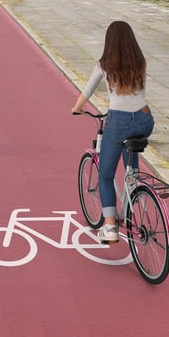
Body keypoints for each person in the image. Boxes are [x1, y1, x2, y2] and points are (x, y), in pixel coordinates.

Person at [71, 20, 154, 244]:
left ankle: (109, 227)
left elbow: (88, 90)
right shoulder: (140, 61)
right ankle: (134, 191)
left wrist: (77, 108)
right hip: (145, 119)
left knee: (106, 175)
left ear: (109, 42)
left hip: (119, 121)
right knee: (130, 168)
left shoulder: (104, 64)